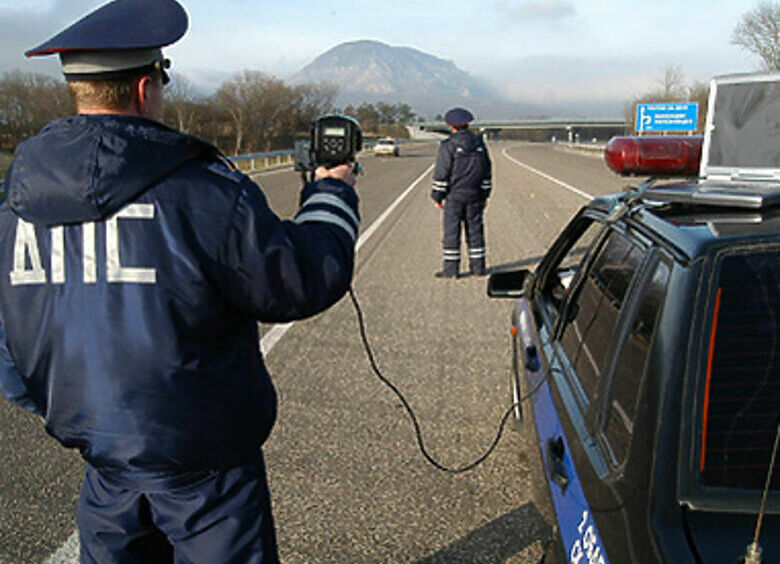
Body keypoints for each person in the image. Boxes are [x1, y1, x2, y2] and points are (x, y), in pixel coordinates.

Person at [0, 1, 359, 563]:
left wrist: (72, 413)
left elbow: (8, 341)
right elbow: (301, 280)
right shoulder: (204, 191)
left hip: (104, 464)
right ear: (146, 88)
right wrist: (332, 192)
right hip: (207, 474)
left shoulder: (14, 203)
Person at [431, 107, 492, 278]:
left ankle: (451, 271)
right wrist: (485, 195)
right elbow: (487, 171)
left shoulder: (448, 146)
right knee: (475, 232)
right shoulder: (480, 144)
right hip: (474, 196)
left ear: (451, 126)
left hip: (454, 197)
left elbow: (442, 173)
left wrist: (437, 196)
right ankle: (478, 268)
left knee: (452, 233)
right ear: (467, 124)